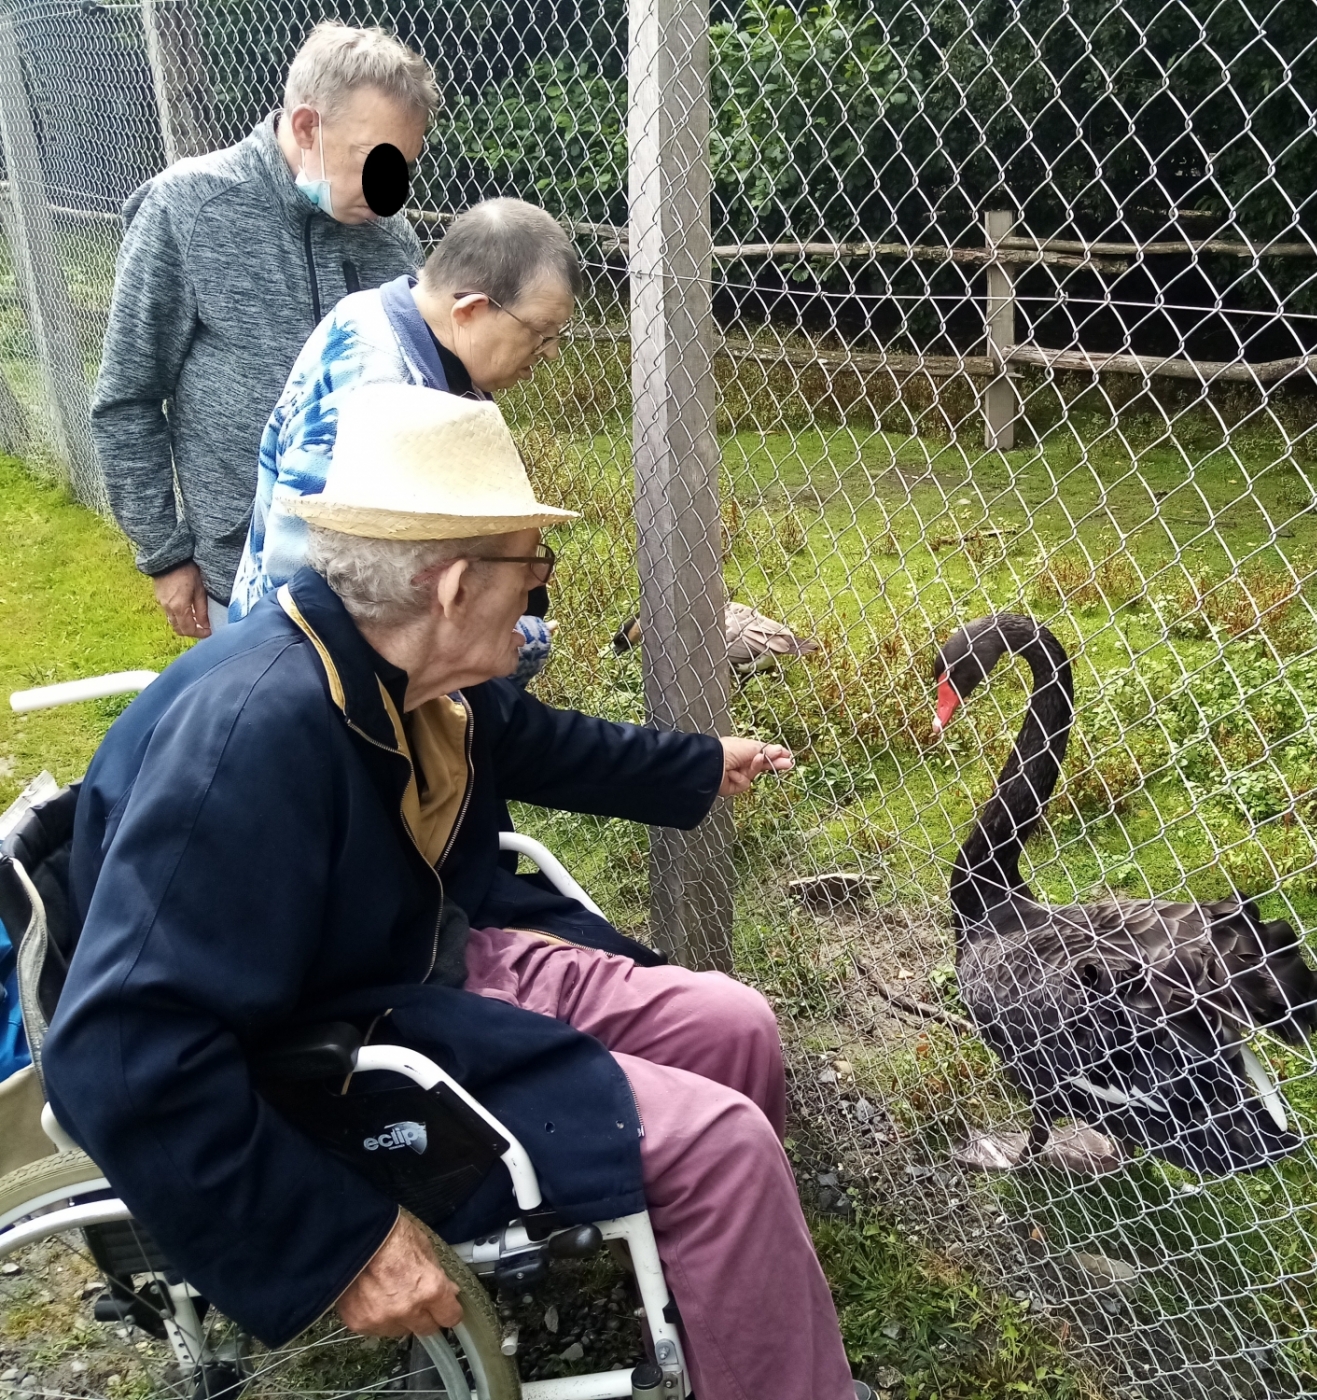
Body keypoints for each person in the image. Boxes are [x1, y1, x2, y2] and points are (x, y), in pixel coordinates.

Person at [44, 384, 865, 1400]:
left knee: (730, 1021)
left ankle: (722, 1306)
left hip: (424, 955)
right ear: (452, 583)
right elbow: (120, 1048)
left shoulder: (403, 669)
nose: (540, 591)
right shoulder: (254, 742)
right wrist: (337, 1240)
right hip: (343, 1034)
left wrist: (702, 763)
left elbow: (547, 743)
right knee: (724, 1146)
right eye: (534, 565)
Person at [91, 21, 439, 640]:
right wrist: (166, 554)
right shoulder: (188, 211)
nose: (393, 190)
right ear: (308, 127)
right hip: (238, 577)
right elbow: (128, 399)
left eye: (404, 165)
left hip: (369, 582)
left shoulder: (393, 244)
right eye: (376, 161)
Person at [228, 198, 577, 625]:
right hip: (314, 660)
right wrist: (512, 646)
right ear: (469, 311)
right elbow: (305, 568)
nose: (552, 352)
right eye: (541, 331)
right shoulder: (375, 388)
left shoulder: (384, 314)